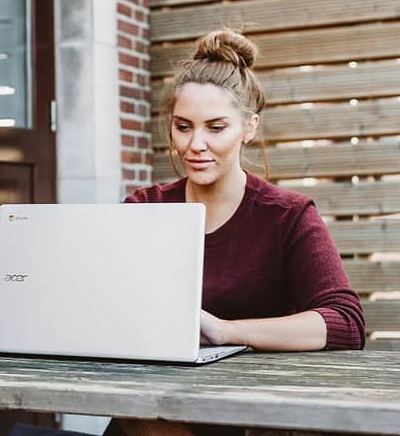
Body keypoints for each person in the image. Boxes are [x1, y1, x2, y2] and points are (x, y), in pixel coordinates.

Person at [124, 27, 365, 352]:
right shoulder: (144, 208)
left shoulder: (288, 216)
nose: (196, 145)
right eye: (183, 127)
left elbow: (346, 323)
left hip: (256, 395)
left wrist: (225, 331)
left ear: (249, 128)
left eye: (216, 127)